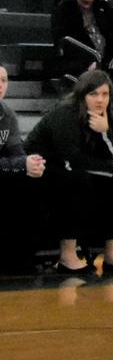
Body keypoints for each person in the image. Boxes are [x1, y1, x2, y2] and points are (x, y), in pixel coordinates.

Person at [24, 70, 113, 273]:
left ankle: (111, 254)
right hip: (42, 168)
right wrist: (110, 167)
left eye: (105, 94)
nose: (100, 100)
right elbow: (70, 159)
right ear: (82, 95)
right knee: (76, 181)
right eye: (93, 94)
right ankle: (67, 256)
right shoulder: (65, 113)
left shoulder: (110, 116)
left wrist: (105, 133)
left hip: (77, 168)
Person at [0, 63, 46, 274]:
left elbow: (17, 153)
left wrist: (31, 163)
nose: (0, 85)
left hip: (4, 171)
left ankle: (22, 258)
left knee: (34, 181)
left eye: (3, 80)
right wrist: (20, 165)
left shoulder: (8, 115)